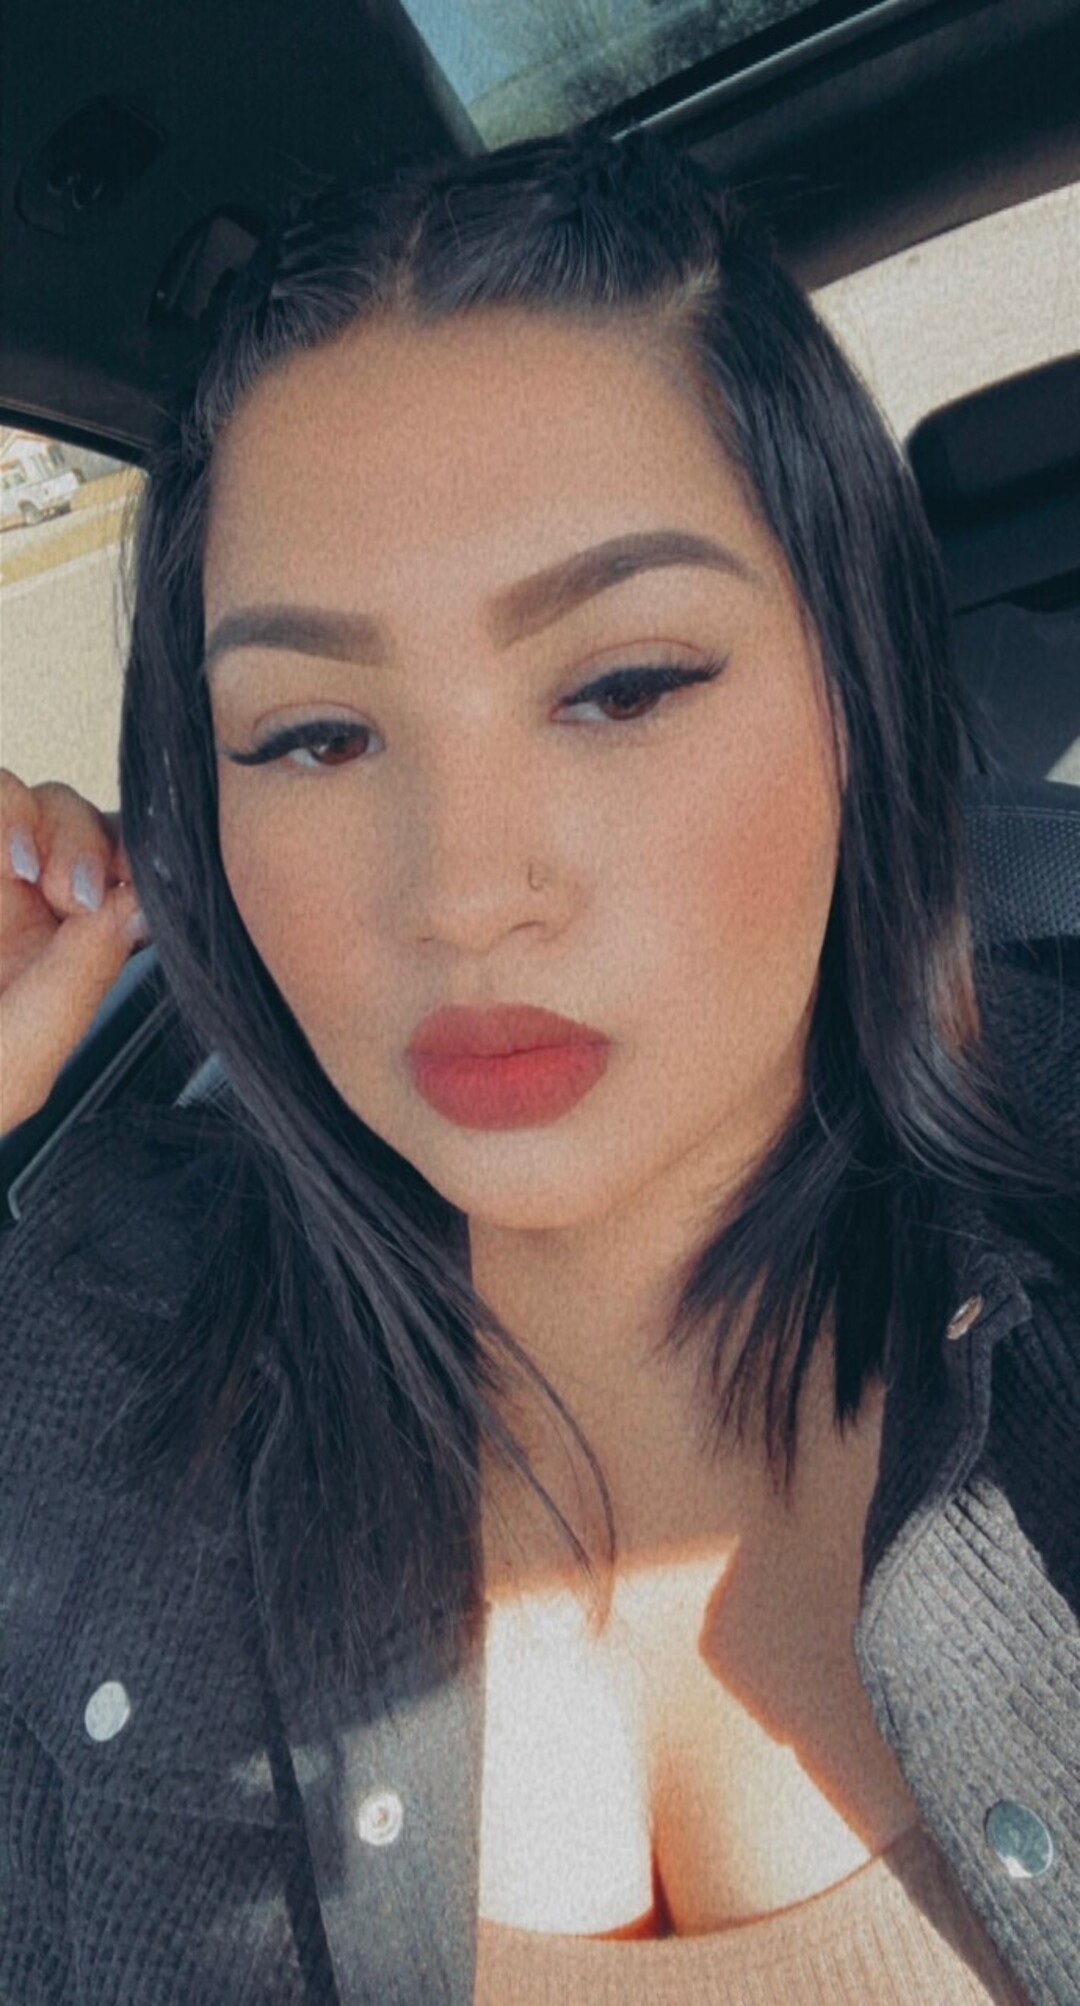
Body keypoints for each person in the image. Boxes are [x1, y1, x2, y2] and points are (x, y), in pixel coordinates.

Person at [1, 125, 1078, 2006]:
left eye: (624, 684)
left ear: (858, 684)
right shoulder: (83, 1360)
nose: (463, 892)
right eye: (316, 734)